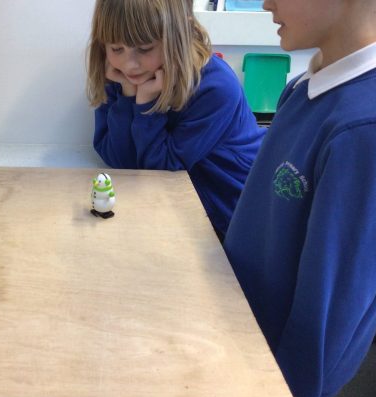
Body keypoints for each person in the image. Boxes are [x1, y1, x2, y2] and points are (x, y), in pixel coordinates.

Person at [223, 0, 376, 397]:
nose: (266, 3)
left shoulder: (370, 131)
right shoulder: (303, 88)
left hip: (269, 377)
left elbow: (324, 326)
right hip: (236, 335)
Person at [86, 0, 265, 238]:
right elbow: (120, 161)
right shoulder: (120, 75)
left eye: (145, 49)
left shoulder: (215, 87)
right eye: (117, 49)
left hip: (229, 216)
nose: (130, 65)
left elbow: (163, 172)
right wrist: (129, 95)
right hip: (176, 210)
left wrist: (146, 104)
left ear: (179, 37)